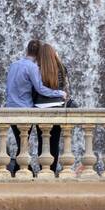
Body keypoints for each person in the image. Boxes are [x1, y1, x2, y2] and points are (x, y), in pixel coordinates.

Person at [4, 39, 66, 175]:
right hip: (25, 109)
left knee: (21, 142)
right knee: (24, 142)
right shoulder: (32, 68)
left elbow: (8, 87)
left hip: (10, 107)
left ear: (27, 50)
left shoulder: (14, 65)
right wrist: (59, 93)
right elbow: (40, 89)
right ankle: (25, 170)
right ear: (38, 55)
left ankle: (23, 170)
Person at [34, 42, 69, 173]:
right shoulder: (60, 67)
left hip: (40, 108)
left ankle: (43, 169)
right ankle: (52, 170)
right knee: (54, 140)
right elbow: (65, 85)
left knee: (42, 140)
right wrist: (58, 59)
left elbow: (35, 88)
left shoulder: (37, 68)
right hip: (57, 107)